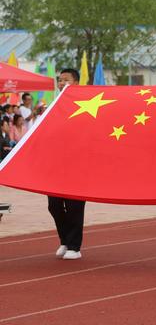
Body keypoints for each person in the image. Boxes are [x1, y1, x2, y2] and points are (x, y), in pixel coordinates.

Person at [47, 68, 86, 260]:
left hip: (77, 164)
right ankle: (64, 240)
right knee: (54, 205)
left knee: (74, 206)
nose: (61, 83)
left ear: (76, 83)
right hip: (55, 164)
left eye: (66, 80)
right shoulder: (54, 105)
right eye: (59, 80)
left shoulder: (86, 105)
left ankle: (74, 246)